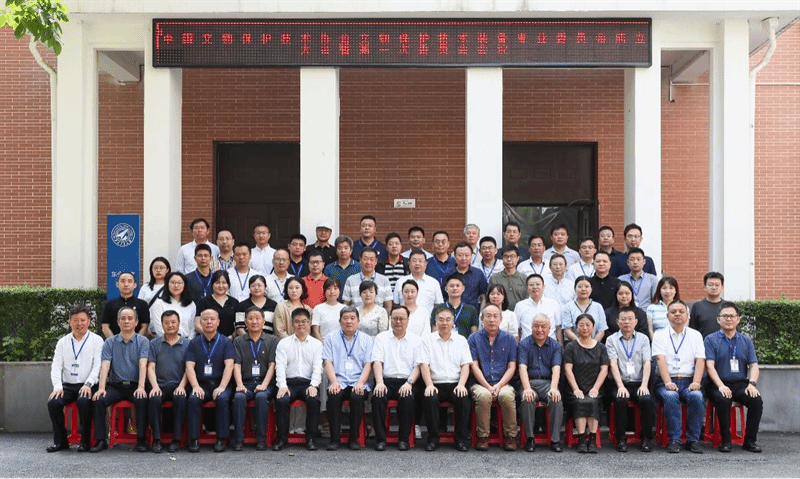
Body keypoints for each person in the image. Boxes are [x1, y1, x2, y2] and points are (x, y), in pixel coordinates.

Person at [704, 301, 763, 453]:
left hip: (740, 384)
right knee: (724, 399)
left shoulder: (746, 340)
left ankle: (749, 441)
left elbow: (753, 365)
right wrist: (720, 385)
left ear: (738, 319)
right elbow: (709, 366)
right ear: (718, 319)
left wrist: (752, 384)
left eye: (732, 316)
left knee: (756, 400)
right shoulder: (710, 339)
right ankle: (726, 440)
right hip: (717, 383)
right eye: (725, 316)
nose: (729, 319)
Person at [90, 306, 149, 452]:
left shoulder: (143, 341)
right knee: (99, 399)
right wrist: (101, 388)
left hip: (135, 385)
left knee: (142, 399)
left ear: (136, 322)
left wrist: (141, 387)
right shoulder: (110, 342)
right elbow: (105, 366)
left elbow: (143, 365)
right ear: (118, 322)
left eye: (130, 318)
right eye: (123, 318)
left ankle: (141, 440)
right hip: (116, 386)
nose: (126, 321)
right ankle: (101, 440)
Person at [46, 305, 104, 453]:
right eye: (75, 320)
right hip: (67, 385)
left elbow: (98, 366)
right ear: (70, 322)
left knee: (83, 401)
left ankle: (85, 441)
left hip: (88, 384)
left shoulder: (97, 340)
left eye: (83, 320)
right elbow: (56, 366)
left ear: (89, 321)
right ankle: (60, 442)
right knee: (53, 403)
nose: (79, 324)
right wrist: (57, 387)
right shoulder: (63, 342)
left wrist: (88, 384)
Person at [652, 300, 706, 454]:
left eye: (681, 311)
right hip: (665, 381)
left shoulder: (695, 335)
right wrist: (667, 382)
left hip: (689, 381)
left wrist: (696, 382)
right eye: (673, 312)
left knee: (696, 396)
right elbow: (660, 359)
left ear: (687, 315)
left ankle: (693, 440)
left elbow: (700, 360)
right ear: (667, 315)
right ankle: (674, 440)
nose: (677, 314)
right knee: (671, 396)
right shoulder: (659, 335)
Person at [418, 308, 473, 452]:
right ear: (435, 322)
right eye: (441, 320)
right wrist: (429, 385)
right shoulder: (427, 340)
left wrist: (461, 385)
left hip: (456, 383)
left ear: (453, 322)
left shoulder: (461, 340)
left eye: (448, 320)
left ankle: (461, 439)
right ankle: (433, 439)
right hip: (435, 383)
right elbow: (424, 365)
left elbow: (466, 365)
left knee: (463, 398)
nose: (444, 323)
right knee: (430, 398)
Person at [371, 305, 422, 451]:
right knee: (377, 396)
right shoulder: (381, 338)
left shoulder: (416, 340)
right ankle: (380, 439)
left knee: (407, 398)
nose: (398, 322)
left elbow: (418, 365)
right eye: (395, 318)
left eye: (401, 319)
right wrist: (379, 382)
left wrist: (409, 383)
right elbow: (377, 362)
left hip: (407, 380)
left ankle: (404, 439)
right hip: (386, 380)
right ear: (390, 319)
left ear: (408, 320)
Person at [322, 306, 374, 450]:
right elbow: (327, 362)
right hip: (338, 380)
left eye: (352, 318)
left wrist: (361, 383)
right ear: (340, 321)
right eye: (345, 318)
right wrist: (333, 382)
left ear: (358, 321)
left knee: (357, 397)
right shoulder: (331, 338)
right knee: (334, 396)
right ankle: (334, 439)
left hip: (359, 381)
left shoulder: (366, 340)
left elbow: (368, 364)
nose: (349, 321)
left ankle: (353, 438)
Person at [606, 306, 656, 452]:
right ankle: (621, 439)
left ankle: (646, 439)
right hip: (620, 382)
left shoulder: (643, 339)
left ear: (636, 321)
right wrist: (620, 386)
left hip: (639, 382)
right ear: (617, 322)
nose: (626, 322)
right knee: (621, 399)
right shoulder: (611, 340)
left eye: (630, 319)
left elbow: (647, 363)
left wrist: (644, 385)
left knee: (646, 400)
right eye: (623, 319)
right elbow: (613, 364)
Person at [468, 305, 518, 451]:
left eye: (495, 316)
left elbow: (512, 367)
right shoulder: (473, 338)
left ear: (501, 319)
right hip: (480, 383)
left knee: (507, 395)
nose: (492, 320)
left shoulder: (509, 339)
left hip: (503, 383)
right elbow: (474, 366)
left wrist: (499, 385)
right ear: (482, 319)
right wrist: (488, 387)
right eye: (488, 316)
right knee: (483, 396)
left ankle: (510, 436)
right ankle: (482, 436)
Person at [185, 309, 236, 453]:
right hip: (201, 383)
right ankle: (194, 439)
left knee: (222, 398)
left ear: (218, 322)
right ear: (200, 322)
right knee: (194, 399)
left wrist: (222, 387)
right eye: (205, 319)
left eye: (212, 319)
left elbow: (229, 365)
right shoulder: (194, 343)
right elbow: (189, 366)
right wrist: (195, 386)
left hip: (221, 383)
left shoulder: (226, 342)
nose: (209, 322)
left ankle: (221, 439)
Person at [272, 308, 323, 451]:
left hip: (308, 383)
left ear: (309, 323)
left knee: (313, 400)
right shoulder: (283, 343)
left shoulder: (317, 344)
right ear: (292, 323)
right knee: (281, 400)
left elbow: (318, 368)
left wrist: (314, 385)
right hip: (289, 384)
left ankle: (311, 438)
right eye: (297, 321)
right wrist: (282, 386)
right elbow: (280, 367)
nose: (301, 324)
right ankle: (282, 438)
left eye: (304, 321)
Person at [231, 307, 280, 451]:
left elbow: (272, 365)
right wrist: (239, 384)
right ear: (245, 322)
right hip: (246, 382)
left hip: (266, 382)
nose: (254, 322)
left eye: (258, 318)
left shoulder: (272, 340)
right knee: (238, 397)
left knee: (261, 397)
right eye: (251, 318)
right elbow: (236, 365)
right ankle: (238, 439)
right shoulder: (238, 341)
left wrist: (264, 384)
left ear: (264, 321)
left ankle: (261, 439)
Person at [563, 313, 609, 453]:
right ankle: (582, 439)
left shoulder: (601, 347)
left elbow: (604, 369)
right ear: (576, 328)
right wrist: (576, 389)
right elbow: (568, 369)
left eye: (588, 325)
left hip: (595, 387)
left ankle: (592, 439)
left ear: (593, 327)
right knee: (580, 401)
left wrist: (595, 388)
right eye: (581, 325)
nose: (584, 328)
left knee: (593, 401)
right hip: (575, 388)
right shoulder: (571, 347)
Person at [518, 313, 564, 453]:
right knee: (527, 399)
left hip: (547, 383)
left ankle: (555, 440)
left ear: (549, 328)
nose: (540, 330)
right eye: (536, 326)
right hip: (529, 382)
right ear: (531, 327)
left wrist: (554, 388)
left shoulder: (555, 345)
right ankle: (530, 438)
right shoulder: (523, 344)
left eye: (543, 326)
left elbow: (556, 368)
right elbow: (522, 368)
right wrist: (527, 388)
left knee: (556, 399)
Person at [146, 310, 190, 453]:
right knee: (154, 398)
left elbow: (189, 369)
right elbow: (150, 367)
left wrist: (182, 386)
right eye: (166, 323)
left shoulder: (187, 344)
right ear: (162, 324)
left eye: (173, 322)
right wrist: (155, 387)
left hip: (179, 384)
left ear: (179, 323)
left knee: (180, 398)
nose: (170, 325)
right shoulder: (154, 344)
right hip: (160, 385)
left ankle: (176, 440)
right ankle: (156, 440)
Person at [343, 247, 393, 314]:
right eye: (365, 259)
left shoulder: (384, 280)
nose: (368, 262)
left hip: (378, 318)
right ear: (360, 260)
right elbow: (346, 304)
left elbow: (388, 305)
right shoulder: (351, 280)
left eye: (371, 259)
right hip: (356, 318)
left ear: (376, 261)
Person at [101, 272, 150, 338]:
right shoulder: (110, 304)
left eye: (129, 281)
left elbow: (144, 326)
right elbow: (105, 326)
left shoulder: (142, 304)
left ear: (135, 285)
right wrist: (114, 342)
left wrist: (136, 341)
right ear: (117, 284)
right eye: (123, 281)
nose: (126, 284)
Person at [514, 274, 562, 342]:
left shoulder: (553, 304)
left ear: (543, 287)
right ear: (526, 288)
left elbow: (558, 328)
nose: (535, 287)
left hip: (549, 344)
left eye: (538, 284)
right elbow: (517, 329)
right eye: (531, 285)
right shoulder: (520, 306)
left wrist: (560, 346)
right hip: (527, 345)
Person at [442, 242, 488, 313]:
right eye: (460, 255)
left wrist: (482, 313)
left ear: (471, 256)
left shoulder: (478, 274)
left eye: (467, 255)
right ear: (454, 256)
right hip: (452, 313)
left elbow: (483, 296)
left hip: (473, 313)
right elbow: (444, 295)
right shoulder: (448, 274)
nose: (463, 258)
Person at [430, 275, 480, 339]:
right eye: (452, 286)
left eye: (457, 286)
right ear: (446, 289)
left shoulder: (471, 309)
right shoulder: (438, 308)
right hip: (442, 343)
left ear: (463, 288)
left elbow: (474, 334)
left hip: (464, 343)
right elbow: (434, 331)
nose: (455, 288)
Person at [150, 272, 197, 339]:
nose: (176, 285)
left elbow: (193, 328)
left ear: (185, 285)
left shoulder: (191, 304)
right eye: (172, 282)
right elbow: (159, 329)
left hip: (187, 342)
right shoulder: (159, 304)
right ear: (167, 284)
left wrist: (188, 342)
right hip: (166, 341)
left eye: (179, 282)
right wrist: (173, 341)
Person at [561, 276, 608, 343]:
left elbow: (602, 330)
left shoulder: (598, 307)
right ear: (575, 289)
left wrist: (592, 344)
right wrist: (580, 344)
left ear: (591, 289)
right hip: (573, 345)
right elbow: (567, 330)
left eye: (586, 286)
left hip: (594, 345)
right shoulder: (568, 307)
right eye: (580, 287)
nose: (583, 289)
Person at [196, 270, 239, 338]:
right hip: (208, 340)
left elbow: (239, 326)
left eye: (224, 283)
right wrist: (212, 336)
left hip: (230, 340)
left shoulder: (234, 302)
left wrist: (231, 337)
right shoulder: (204, 302)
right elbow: (197, 324)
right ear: (212, 284)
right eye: (217, 282)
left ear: (228, 285)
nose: (221, 286)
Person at [488, 245, 528, 311]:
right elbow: (489, 298)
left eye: (512, 256)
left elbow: (528, 298)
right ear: (502, 259)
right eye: (506, 256)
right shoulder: (494, 278)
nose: (509, 259)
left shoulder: (524, 278)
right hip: (500, 313)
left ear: (517, 258)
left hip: (520, 312)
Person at [690, 272, 726, 338]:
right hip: (703, 343)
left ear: (722, 287)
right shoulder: (697, 306)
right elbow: (692, 330)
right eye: (710, 285)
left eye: (717, 285)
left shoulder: (727, 306)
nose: (714, 287)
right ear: (704, 287)